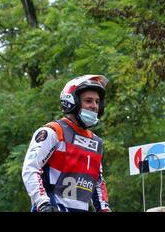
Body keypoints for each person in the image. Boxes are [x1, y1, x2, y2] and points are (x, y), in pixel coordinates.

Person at [22, 75, 111, 212]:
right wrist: (43, 204)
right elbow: (31, 168)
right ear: (72, 101)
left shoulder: (96, 142)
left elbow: (98, 182)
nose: (94, 106)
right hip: (51, 207)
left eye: (97, 101)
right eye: (88, 101)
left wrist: (104, 209)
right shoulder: (52, 132)